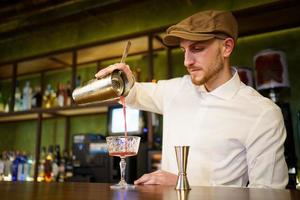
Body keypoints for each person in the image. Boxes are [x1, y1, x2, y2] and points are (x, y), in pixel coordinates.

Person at [95, 10, 288, 189]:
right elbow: (131, 93)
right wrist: (120, 80)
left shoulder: (262, 114)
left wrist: (183, 184)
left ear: (226, 47)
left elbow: (268, 194)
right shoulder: (175, 89)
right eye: (183, 50)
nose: (187, 61)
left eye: (197, 48)